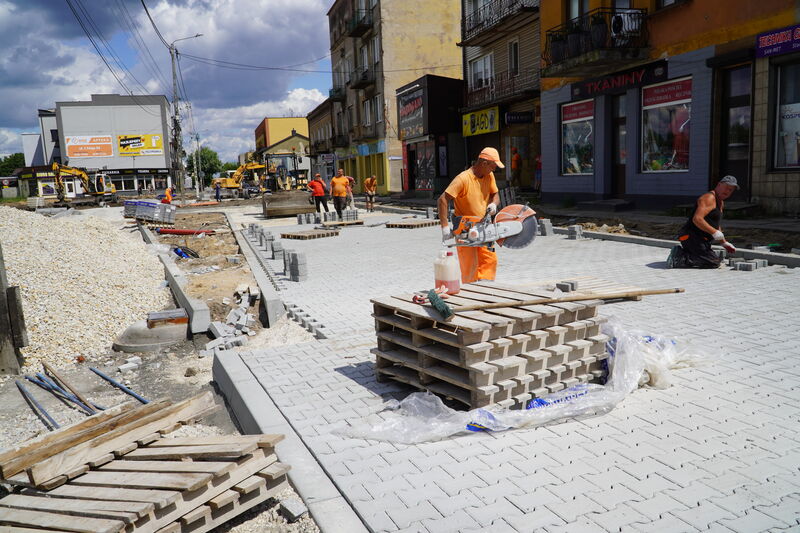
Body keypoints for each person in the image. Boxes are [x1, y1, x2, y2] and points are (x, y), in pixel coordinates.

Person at [438, 147, 502, 284]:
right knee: (470, 266)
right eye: (493, 166)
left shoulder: (489, 176)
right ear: (484, 163)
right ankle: (472, 294)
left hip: (484, 226)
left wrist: (494, 204)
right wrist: (444, 227)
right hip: (465, 229)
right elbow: (442, 199)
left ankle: (486, 290)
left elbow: (495, 194)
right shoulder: (463, 179)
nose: (494, 169)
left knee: (489, 260)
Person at [667, 175, 739, 269]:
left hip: (702, 239)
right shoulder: (709, 198)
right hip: (690, 236)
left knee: (712, 259)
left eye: (731, 190)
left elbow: (716, 224)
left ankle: (689, 253)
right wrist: (714, 232)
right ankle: (679, 256)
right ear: (719, 185)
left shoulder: (720, 202)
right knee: (712, 262)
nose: (727, 192)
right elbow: (697, 219)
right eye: (726, 188)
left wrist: (724, 243)